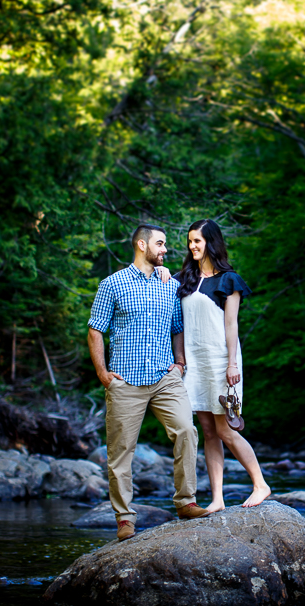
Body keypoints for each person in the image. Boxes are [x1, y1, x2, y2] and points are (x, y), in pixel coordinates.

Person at [87, 223, 208, 542]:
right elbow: (95, 329)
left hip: (165, 377)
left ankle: (186, 502)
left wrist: (179, 362)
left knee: (186, 431)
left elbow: (177, 326)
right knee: (121, 452)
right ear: (141, 245)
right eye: (160, 243)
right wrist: (102, 372)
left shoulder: (170, 284)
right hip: (125, 380)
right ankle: (125, 519)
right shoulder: (112, 284)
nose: (165, 249)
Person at [157, 219, 270, 512]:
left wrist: (232, 364)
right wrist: (163, 273)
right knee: (208, 431)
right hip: (193, 363)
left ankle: (260, 484)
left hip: (221, 361)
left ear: (211, 242)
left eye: (198, 241)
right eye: (190, 241)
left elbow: (231, 326)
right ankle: (217, 498)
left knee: (226, 429)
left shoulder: (228, 280)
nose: (192, 246)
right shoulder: (185, 279)